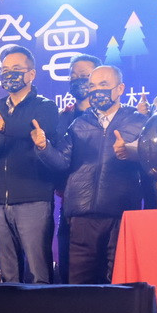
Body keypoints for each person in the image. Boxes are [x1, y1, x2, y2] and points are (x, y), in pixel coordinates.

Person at [37, 65, 145, 285]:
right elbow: (61, 162)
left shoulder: (138, 121)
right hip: (82, 215)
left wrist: (131, 152)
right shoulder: (79, 123)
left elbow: (150, 161)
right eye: (92, 86)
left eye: (103, 85)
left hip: (121, 214)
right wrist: (44, 147)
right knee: (81, 286)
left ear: (120, 88)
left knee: (118, 284)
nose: (97, 91)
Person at [0, 44, 61, 283]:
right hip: (1, 204)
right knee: (9, 275)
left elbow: (36, 133)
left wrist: (4, 126)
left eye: (16, 69)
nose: (9, 74)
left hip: (34, 200)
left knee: (39, 273)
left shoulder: (45, 106)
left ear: (31, 74)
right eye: (5, 70)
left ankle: (44, 308)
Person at [55, 53, 101, 283]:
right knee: (70, 272)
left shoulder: (111, 117)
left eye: (84, 75)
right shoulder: (63, 118)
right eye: (73, 76)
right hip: (71, 205)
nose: (77, 80)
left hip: (104, 207)